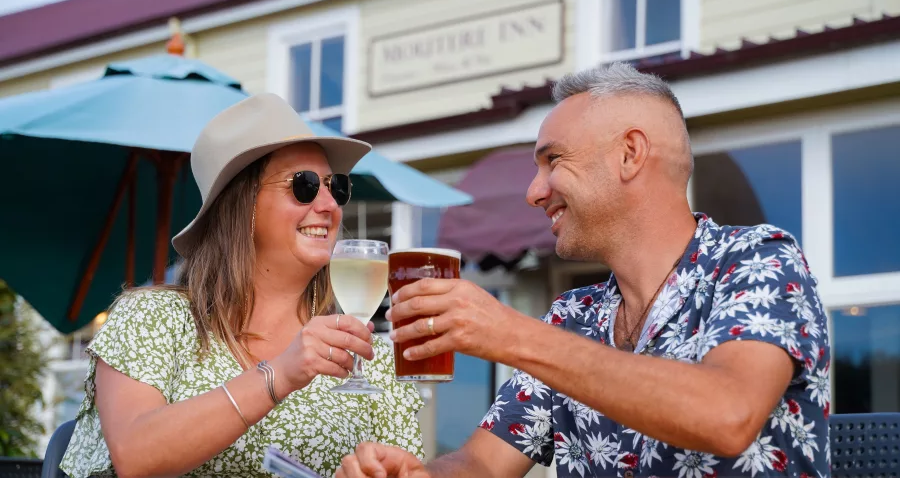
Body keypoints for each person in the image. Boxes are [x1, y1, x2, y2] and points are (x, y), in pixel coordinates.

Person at [336, 63, 830, 478]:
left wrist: (509, 334)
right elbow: (480, 465)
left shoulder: (757, 259)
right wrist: (416, 474)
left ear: (630, 154)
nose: (533, 191)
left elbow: (728, 414)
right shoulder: (573, 315)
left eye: (552, 160)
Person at [60, 93, 424, 478]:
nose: (329, 204)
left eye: (337, 187)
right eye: (304, 185)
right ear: (242, 204)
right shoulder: (154, 320)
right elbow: (135, 455)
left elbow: (405, 471)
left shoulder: (371, 359)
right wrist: (278, 375)